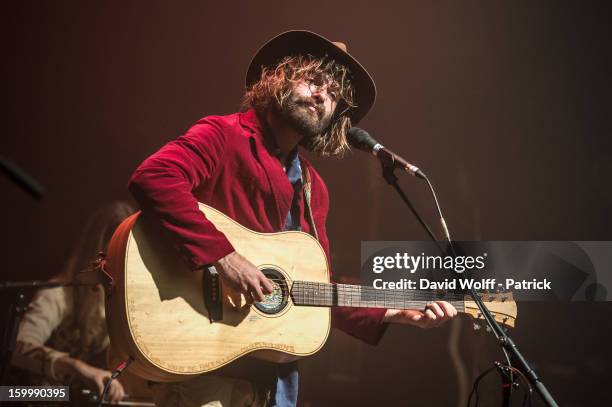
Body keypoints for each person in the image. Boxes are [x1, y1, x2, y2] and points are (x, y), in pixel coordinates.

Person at [127, 30, 457, 407]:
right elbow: (154, 177)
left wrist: (395, 311)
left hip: (272, 378)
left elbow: (309, 288)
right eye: (314, 81)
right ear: (278, 77)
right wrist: (224, 256)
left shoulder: (314, 189)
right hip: (204, 361)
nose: (322, 96)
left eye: (334, 95)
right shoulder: (224, 135)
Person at [12, 202, 137, 404]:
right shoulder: (56, 295)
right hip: (20, 394)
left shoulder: (114, 300)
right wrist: (78, 368)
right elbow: (17, 347)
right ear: (97, 253)